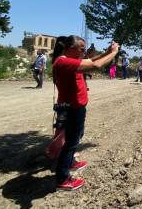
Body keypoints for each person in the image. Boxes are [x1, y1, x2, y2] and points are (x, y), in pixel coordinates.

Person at [52, 35, 119, 190]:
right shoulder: (64, 62)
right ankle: (62, 179)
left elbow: (91, 61)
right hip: (72, 108)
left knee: (76, 137)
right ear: (70, 49)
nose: (85, 52)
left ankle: (70, 163)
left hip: (77, 107)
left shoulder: (69, 60)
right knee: (70, 143)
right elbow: (95, 66)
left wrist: (107, 51)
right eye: (82, 49)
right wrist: (114, 53)